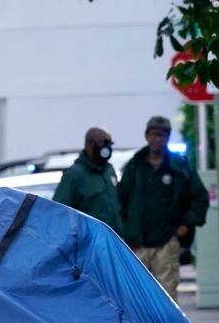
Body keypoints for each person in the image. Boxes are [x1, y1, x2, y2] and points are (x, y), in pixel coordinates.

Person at [118, 115, 209, 302]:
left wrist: (186, 224)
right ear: (146, 136)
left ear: (167, 138)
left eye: (161, 135)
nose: (156, 139)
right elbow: (119, 200)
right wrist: (125, 232)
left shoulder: (179, 166)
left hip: (167, 240)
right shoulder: (135, 165)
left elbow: (200, 197)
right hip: (138, 242)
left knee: (166, 295)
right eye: (153, 134)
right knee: (137, 295)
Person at [52, 127, 122, 233]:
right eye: (103, 143)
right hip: (90, 244)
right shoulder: (74, 175)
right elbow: (59, 212)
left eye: (109, 144)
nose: (107, 148)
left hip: (114, 241)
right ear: (90, 144)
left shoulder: (109, 171)